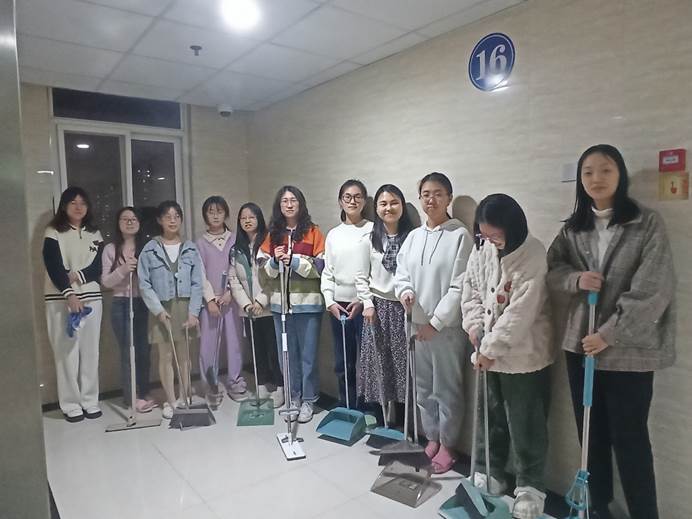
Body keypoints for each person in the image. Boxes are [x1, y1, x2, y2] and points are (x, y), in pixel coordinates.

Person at [546, 144, 676, 519]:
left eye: (605, 170)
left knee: (631, 440)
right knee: (591, 436)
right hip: (581, 346)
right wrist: (576, 279)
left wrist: (608, 333)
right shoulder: (573, 229)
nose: (596, 179)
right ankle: (598, 508)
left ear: (620, 174)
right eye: (588, 172)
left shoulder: (646, 223)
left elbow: (654, 290)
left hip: (628, 352)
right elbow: (552, 270)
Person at [461, 194, 554, 518]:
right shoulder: (482, 248)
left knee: (526, 423)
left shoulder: (533, 253)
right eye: (484, 234)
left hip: (524, 354)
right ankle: (490, 470)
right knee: (490, 415)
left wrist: (490, 349)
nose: (489, 241)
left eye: (495, 235)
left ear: (513, 227)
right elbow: (471, 290)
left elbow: (520, 313)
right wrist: (474, 327)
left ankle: (530, 486)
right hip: (486, 351)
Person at [395, 172, 472, 474]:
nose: (431, 199)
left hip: (446, 328)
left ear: (449, 198)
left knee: (447, 388)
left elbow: (459, 286)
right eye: (426, 194)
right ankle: (432, 437)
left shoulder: (460, 235)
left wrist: (436, 323)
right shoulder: (414, 236)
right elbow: (401, 273)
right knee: (424, 386)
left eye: (438, 193)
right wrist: (404, 292)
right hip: (414, 324)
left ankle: (449, 445)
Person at [258, 186, 326, 424]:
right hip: (280, 307)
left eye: (293, 200)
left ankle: (308, 400)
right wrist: (275, 262)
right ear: (279, 206)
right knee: (286, 356)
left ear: (300, 204)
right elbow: (262, 270)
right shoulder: (272, 234)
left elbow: (321, 267)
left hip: (308, 305)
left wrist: (295, 261)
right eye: (284, 201)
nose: (289, 204)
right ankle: (293, 397)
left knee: (308, 356)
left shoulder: (313, 232)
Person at [43, 186, 104, 422]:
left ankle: (90, 401)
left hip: (92, 298)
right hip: (61, 299)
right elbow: (53, 265)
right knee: (66, 353)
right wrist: (69, 294)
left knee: (91, 352)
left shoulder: (95, 233)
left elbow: (98, 266)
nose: (79, 207)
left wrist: (77, 275)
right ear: (64, 206)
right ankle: (70, 404)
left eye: (83, 203)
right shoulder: (53, 231)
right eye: (73, 203)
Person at [354, 184, 415, 422]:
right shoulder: (369, 239)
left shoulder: (413, 238)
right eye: (383, 203)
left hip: (404, 308)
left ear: (402, 206)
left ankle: (403, 421)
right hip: (377, 309)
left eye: (394, 203)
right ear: (376, 208)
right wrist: (367, 303)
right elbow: (361, 277)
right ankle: (382, 418)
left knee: (403, 365)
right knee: (379, 363)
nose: (388, 208)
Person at [138, 201, 203, 420]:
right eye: (167, 216)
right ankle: (171, 399)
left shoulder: (190, 248)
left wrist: (194, 312)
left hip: (185, 307)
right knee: (165, 355)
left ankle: (185, 397)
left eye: (176, 216)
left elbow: (197, 283)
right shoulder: (150, 249)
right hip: (161, 309)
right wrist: (157, 310)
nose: (172, 220)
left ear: (181, 219)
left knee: (184, 355)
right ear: (159, 220)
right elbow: (144, 283)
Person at [321, 179, 373, 408]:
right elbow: (328, 272)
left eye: (358, 196)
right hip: (338, 305)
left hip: (365, 304)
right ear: (340, 201)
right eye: (347, 197)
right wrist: (329, 301)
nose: (353, 201)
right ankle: (347, 406)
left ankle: (369, 409)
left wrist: (362, 299)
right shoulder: (333, 234)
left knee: (368, 361)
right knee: (343, 361)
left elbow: (375, 270)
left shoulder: (372, 229)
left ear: (364, 201)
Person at [229, 202, 284, 408]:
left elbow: (274, 276)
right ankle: (261, 386)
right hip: (249, 311)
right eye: (243, 218)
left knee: (274, 350)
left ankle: (280, 387)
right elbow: (234, 280)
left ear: (259, 219)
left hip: (269, 308)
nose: (247, 221)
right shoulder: (236, 250)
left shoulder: (270, 243)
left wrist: (261, 300)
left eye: (251, 217)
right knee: (256, 350)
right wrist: (246, 304)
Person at [101, 207, 155, 413]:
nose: (130, 222)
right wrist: (123, 269)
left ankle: (144, 392)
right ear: (118, 223)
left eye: (133, 219)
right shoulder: (110, 249)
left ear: (139, 223)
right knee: (128, 351)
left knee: (144, 350)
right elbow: (106, 281)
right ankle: (131, 396)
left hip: (142, 303)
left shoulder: (147, 248)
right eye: (125, 219)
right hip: (121, 304)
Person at [196, 196, 247, 404]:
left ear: (226, 214)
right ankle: (211, 385)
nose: (215, 216)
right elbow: (200, 275)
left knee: (235, 343)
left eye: (219, 211)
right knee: (208, 346)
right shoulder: (200, 243)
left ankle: (235, 381)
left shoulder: (235, 239)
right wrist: (210, 299)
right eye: (211, 212)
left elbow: (238, 268)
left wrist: (230, 293)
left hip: (232, 298)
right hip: (210, 303)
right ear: (205, 216)